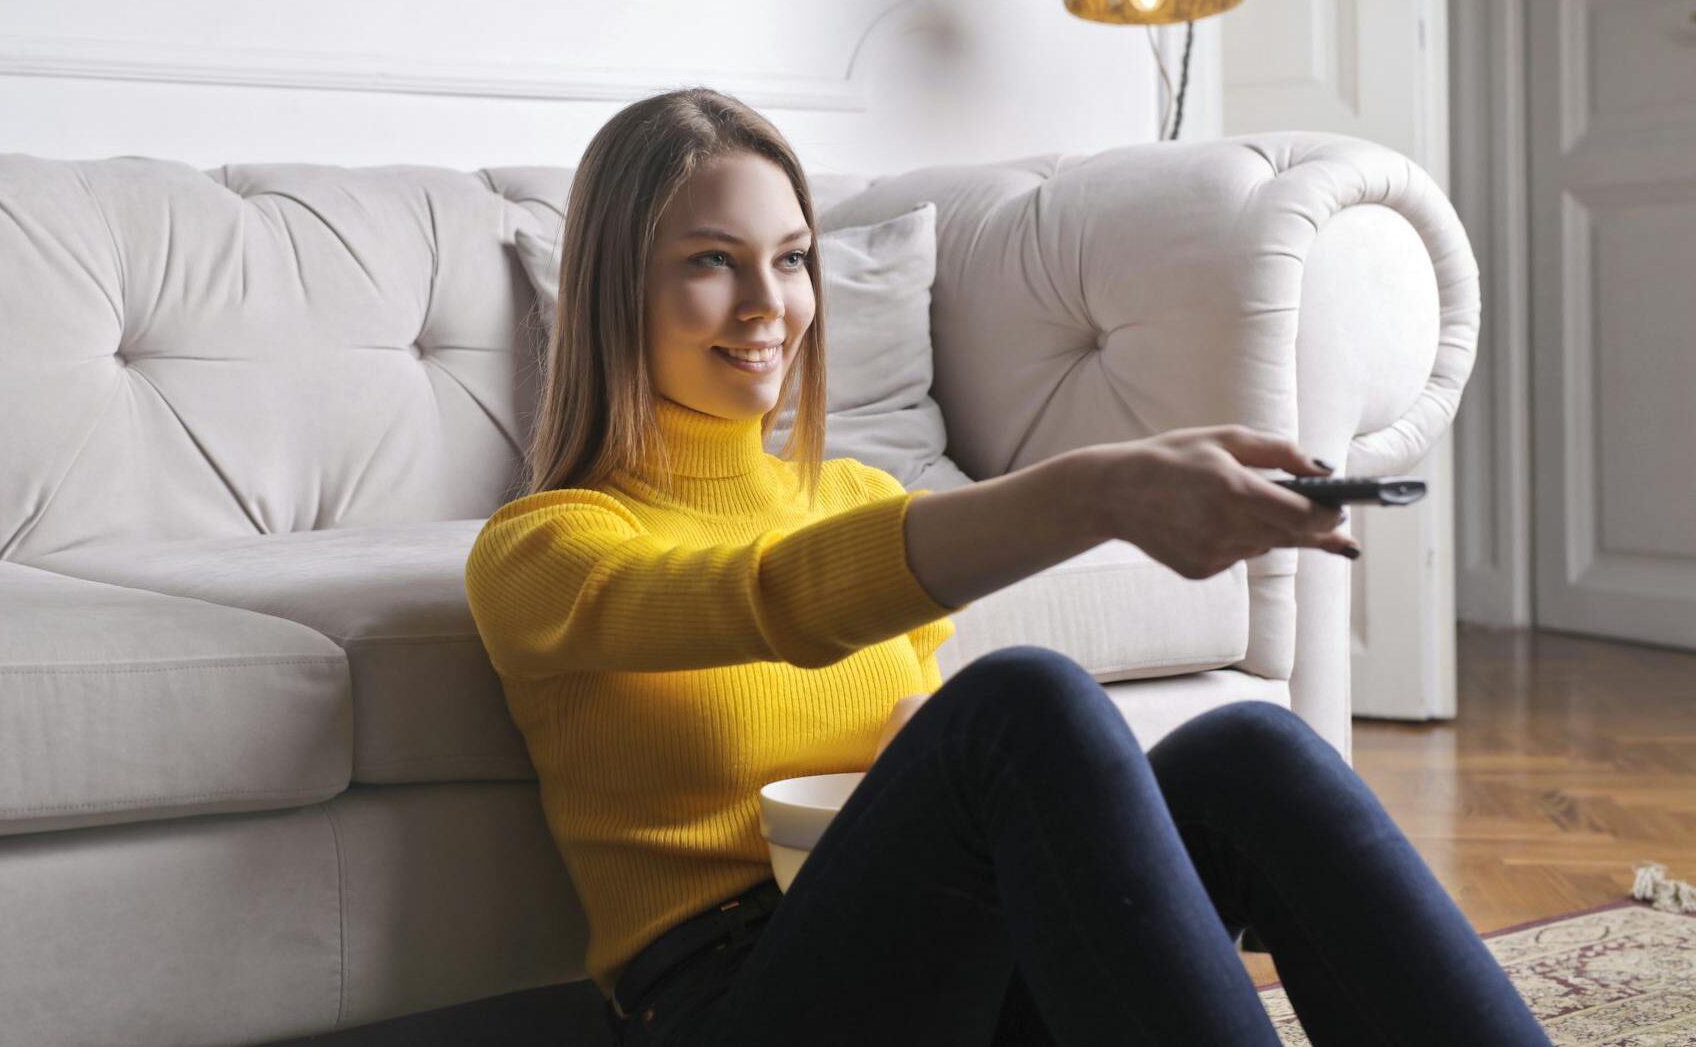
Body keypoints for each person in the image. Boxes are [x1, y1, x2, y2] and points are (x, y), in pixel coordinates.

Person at [463, 87, 1552, 1046]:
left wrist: (912, 761)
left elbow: (906, 777)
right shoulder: (543, 551)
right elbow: (776, 598)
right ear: (617, 285)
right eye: (712, 260)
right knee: (1017, 701)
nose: (768, 305)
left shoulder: (859, 500)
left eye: (791, 258)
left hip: (953, 981)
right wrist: (1101, 489)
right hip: (733, 999)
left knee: (1248, 753)